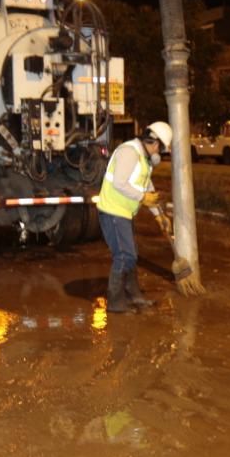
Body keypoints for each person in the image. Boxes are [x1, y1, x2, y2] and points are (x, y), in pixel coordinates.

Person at [96, 120, 172, 313]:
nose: (159, 154)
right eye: (160, 150)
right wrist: (142, 198)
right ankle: (115, 303)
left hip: (124, 212)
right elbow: (119, 184)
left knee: (130, 254)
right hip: (113, 211)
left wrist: (159, 216)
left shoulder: (143, 158)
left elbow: (147, 187)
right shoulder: (129, 152)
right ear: (155, 144)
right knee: (125, 256)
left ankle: (135, 296)